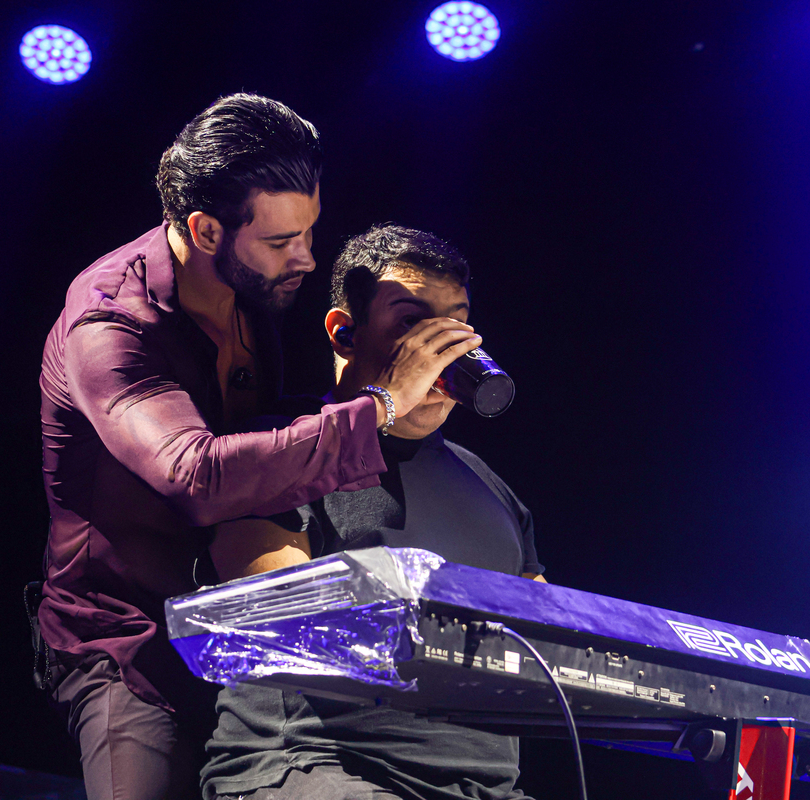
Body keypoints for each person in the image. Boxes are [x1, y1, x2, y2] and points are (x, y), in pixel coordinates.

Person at [38, 96, 483, 800]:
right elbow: (197, 476)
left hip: (240, 617)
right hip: (132, 635)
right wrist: (384, 404)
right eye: (281, 241)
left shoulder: (253, 292)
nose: (305, 257)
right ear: (205, 229)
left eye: (309, 231)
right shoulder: (110, 323)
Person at [204, 224, 546, 800]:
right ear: (345, 333)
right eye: (413, 324)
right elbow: (275, 618)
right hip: (316, 765)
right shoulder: (275, 449)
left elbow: (547, 650)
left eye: (455, 326)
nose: (440, 349)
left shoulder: (492, 487)